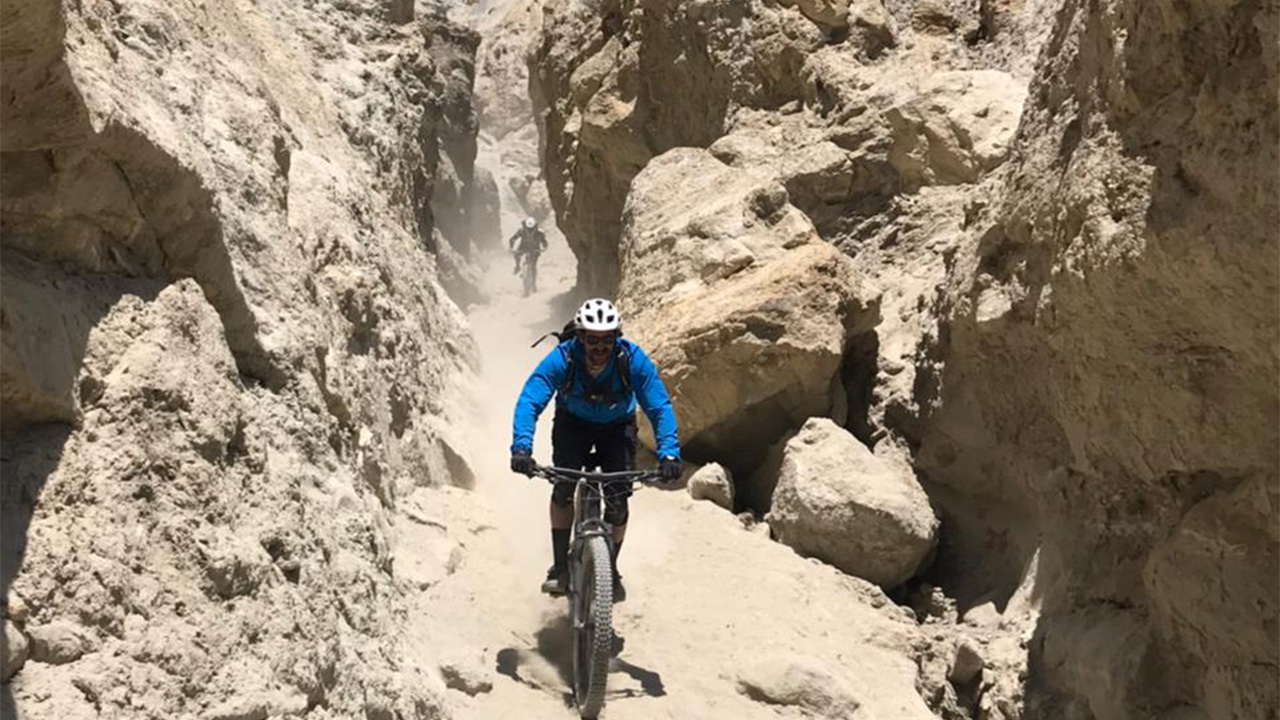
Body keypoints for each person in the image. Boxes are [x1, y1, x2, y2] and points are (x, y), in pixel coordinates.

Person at [510, 298, 682, 603]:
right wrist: (522, 447)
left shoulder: (631, 360)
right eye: (592, 340)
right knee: (563, 488)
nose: (599, 347)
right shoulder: (563, 358)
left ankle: (610, 569)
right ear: (580, 337)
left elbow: (658, 405)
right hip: (572, 423)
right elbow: (531, 399)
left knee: (618, 501)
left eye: (607, 340)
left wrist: (669, 453)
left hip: (617, 427)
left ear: (617, 337)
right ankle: (560, 568)